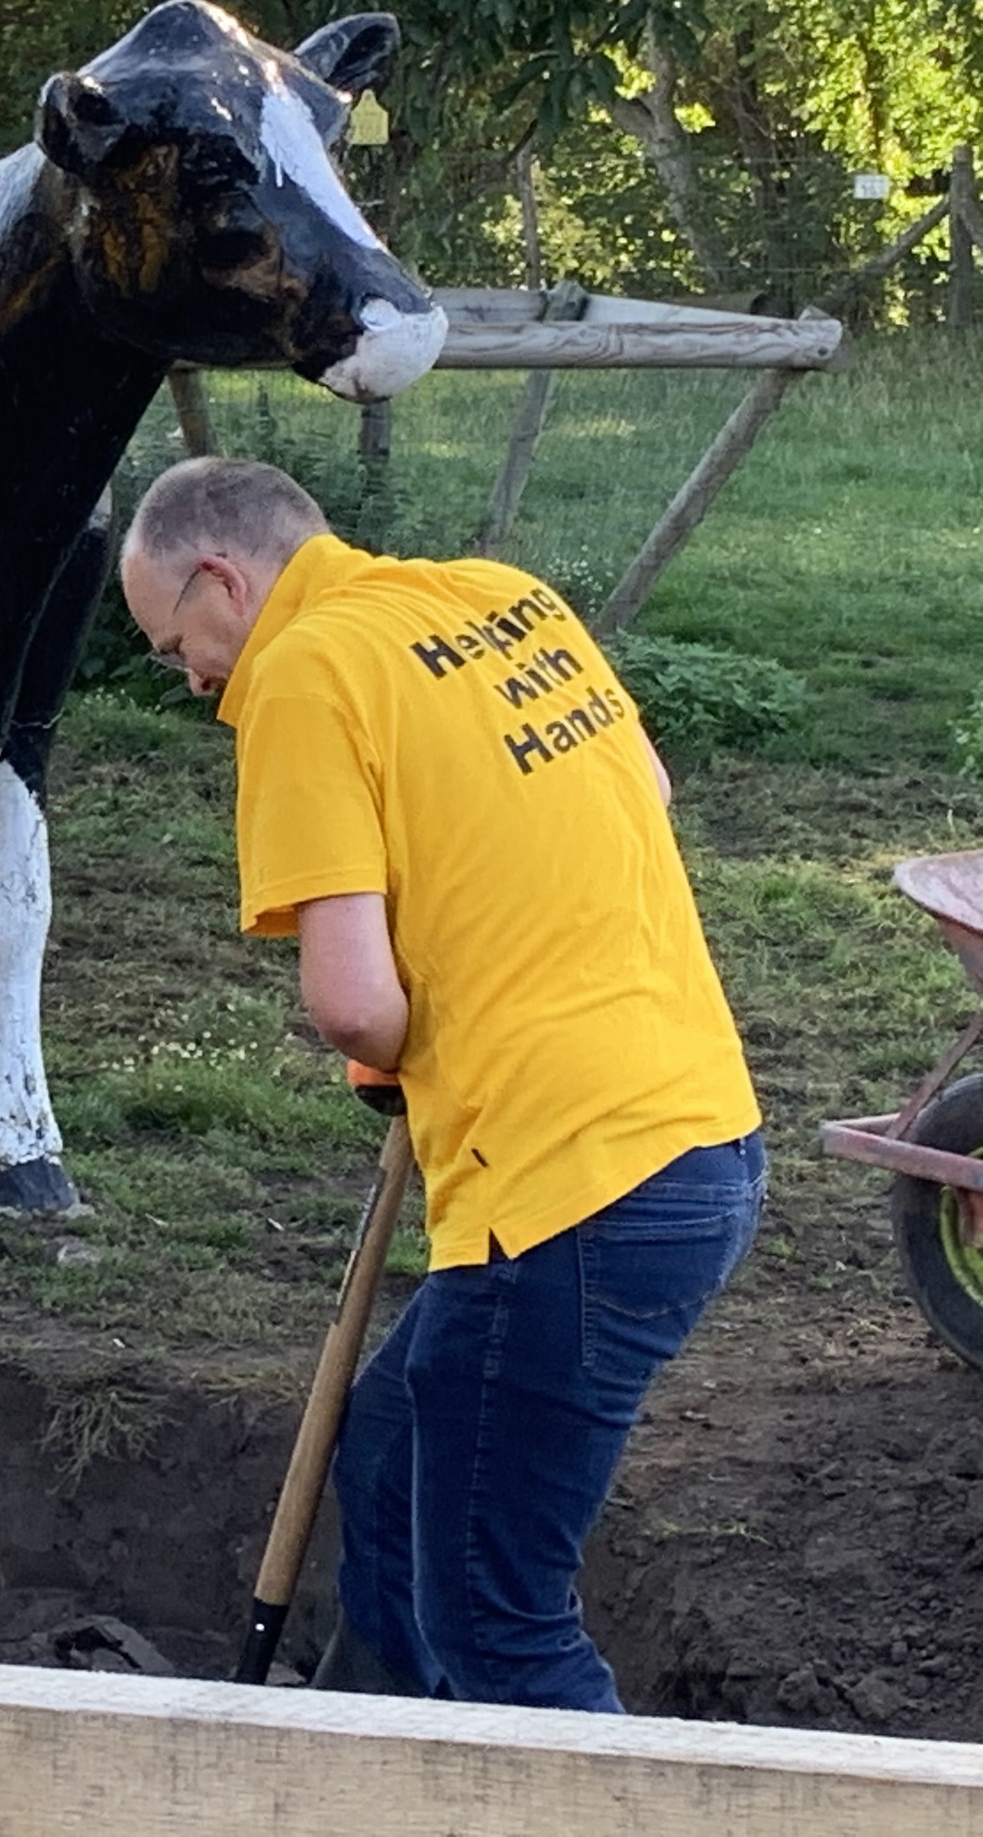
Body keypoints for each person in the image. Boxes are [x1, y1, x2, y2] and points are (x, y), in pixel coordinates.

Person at [119, 456, 763, 1711]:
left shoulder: (303, 675)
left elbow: (354, 1002)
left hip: (571, 1191)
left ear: (221, 579)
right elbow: (648, 787)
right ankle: (393, 1764)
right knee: (396, 1454)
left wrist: (407, 1041)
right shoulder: (499, 596)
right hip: (700, 1140)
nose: (190, 677)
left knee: (498, 1626)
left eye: (173, 644)